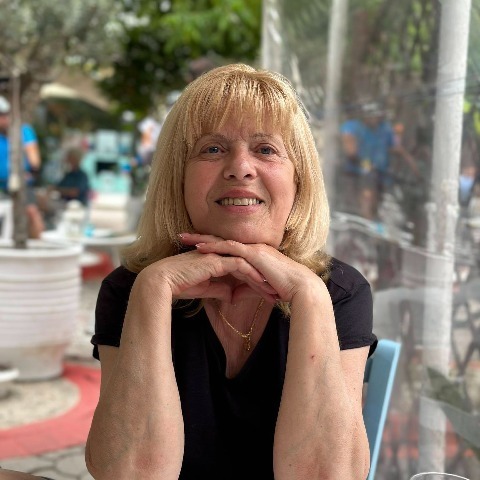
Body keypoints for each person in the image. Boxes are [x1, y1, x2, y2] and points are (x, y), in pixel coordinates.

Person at [85, 64, 377, 480]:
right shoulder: (129, 288)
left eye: (266, 149)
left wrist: (309, 296)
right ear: (178, 178)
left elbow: (329, 476)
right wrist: (154, 289)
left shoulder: (339, 292)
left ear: (299, 180)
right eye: (212, 149)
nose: (240, 168)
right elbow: (128, 475)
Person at [340, 102, 419, 220]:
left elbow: (397, 149)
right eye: (370, 115)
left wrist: (414, 169)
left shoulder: (385, 129)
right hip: (358, 172)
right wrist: (362, 161)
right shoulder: (354, 127)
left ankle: (375, 217)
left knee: (387, 199)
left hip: (382, 174)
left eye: (376, 115)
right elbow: (350, 148)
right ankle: (367, 217)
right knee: (367, 189)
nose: (373, 119)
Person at [0, 95, 44, 238]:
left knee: (31, 212)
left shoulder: (24, 131)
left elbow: (35, 162)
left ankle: (39, 242)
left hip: (21, 182)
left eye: (4, 115)